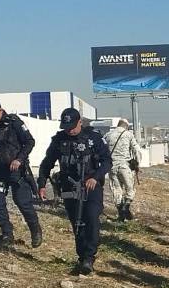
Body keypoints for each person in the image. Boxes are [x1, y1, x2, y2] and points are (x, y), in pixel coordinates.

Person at [37, 108, 112, 274]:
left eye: (72, 126)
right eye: (66, 127)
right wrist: (41, 184)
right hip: (69, 186)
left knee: (91, 218)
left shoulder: (93, 137)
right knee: (77, 222)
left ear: (80, 122)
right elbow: (47, 163)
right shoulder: (59, 140)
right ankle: (82, 257)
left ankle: (90, 257)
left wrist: (96, 176)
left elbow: (107, 161)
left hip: (91, 185)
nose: (69, 130)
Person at [0, 97, 43, 248]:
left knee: (22, 202)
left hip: (16, 170)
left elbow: (30, 141)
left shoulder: (14, 122)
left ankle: (35, 230)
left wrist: (19, 159)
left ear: (0, 110)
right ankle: (7, 233)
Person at [103, 119, 141, 221]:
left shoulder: (108, 135)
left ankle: (121, 213)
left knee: (116, 189)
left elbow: (102, 150)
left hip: (112, 166)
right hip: (125, 165)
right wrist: (137, 163)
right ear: (126, 126)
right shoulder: (128, 135)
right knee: (130, 189)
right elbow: (136, 150)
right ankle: (126, 206)